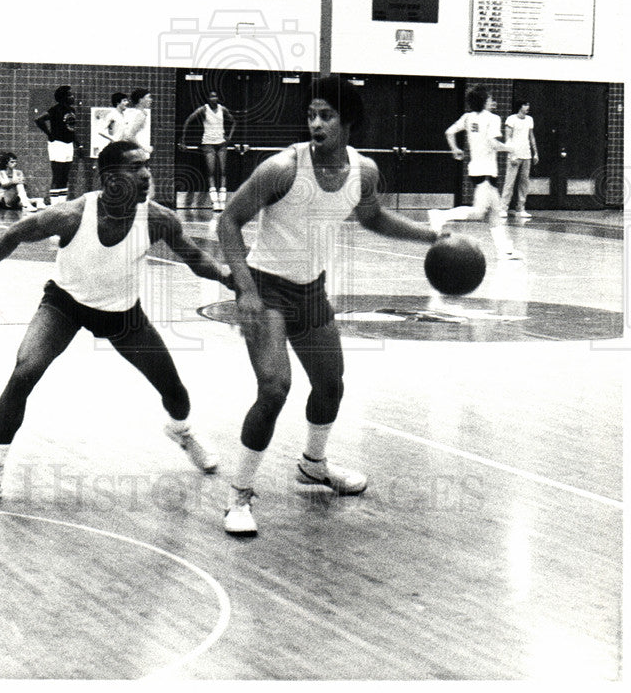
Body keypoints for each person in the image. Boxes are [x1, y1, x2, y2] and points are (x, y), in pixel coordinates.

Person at [0, 140, 233, 508]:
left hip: (123, 316)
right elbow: (12, 235)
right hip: (65, 307)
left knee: (174, 390)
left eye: (147, 166)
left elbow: (195, 259)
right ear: (109, 177)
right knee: (23, 372)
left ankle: (182, 431)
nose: (145, 175)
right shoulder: (73, 215)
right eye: (134, 168)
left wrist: (228, 276)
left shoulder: (158, 219)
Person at [217, 75, 443, 536]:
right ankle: (239, 495)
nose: (316, 123)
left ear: (349, 122)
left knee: (330, 386)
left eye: (327, 115)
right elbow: (228, 222)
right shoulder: (282, 168)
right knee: (275, 388)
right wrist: (245, 288)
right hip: (267, 289)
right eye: (311, 115)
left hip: (310, 291)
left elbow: (373, 217)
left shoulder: (364, 172)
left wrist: (431, 236)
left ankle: (313, 466)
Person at [429, 86, 520, 259]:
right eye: (490, 99)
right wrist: (510, 148)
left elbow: (449, 132)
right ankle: (440, 215)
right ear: (484, 101)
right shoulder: (493, 119)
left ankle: (505, 251)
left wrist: (455, 149)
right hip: (486, 171)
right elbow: (493, 143)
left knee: (494, 211)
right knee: (479, 211)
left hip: (477, 169)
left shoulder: (467, 117)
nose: (493, 102)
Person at [179, 90, 237, 212]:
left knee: (223, 170)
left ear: (218, 98)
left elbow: (233, 121)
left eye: (215, 96)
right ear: (208, 99)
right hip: (208, 143)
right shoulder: (203, 110)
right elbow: (188, 120)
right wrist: (183, 139)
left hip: (221, 143)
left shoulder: (222, 109)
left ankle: (222, 200)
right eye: (211, 96)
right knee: (211, 171)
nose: (213, 98)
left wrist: (229, 137)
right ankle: (214, 201)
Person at [35, 85, 82, 204]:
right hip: (57, 145)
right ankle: (54, 205)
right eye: (70, 95)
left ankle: (62, 203)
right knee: (57, 175)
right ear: (63, 97)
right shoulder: (55, 110)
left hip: (68, 144)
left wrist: (78, 144)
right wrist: (49, 133)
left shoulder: (72, 110)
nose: (72, 97)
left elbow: (71, 129)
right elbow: (39, 120)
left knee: (65, 176)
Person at [500, 100, 538, 219]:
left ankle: (521, 208)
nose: (528, 107)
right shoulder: (511, 119)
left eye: (528, 105)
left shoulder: (529, 119)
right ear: (520, 106)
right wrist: (511, 154)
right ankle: (503, 208)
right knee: (509, 182)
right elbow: (508, 137)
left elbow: (531, 137)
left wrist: (535, 153)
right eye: (525, 105)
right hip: (515, 154)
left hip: (526, 155)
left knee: (524, 182)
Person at [124, 88, 153, 155]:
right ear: (141, 100)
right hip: (138, 153)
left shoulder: (132, 113)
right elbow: (130, 135)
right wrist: (144, 148)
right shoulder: (141, 115)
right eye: (148, 97)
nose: (151, 100)